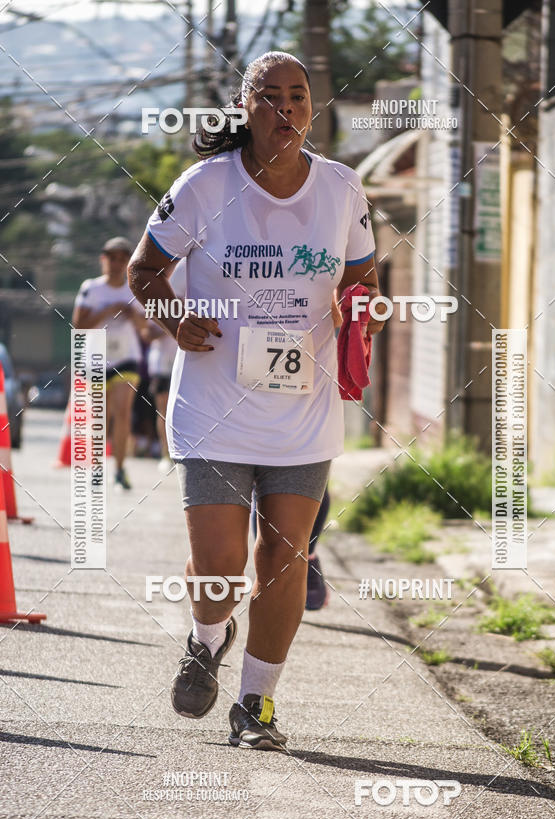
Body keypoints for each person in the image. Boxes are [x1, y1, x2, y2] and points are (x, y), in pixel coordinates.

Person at [128, 50, 383, 751]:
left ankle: (256, 706)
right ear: (245, 107)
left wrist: (362, 310)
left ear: (311, 107)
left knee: (285, 559)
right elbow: (144, 269)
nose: (286, 109)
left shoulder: (340, 188)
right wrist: (176, 318)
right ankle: (208, 636)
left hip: (304, 409)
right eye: (269, 97)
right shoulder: (206, 185)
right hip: (214, 405)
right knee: (219, 572)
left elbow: (361, 275)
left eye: (297, 96)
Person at [72, 236, 143, 490]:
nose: (116, 263)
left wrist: (133, 314)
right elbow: (79, 326)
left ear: (127, 263)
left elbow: (145, 329)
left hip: (127, 358)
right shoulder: (91, 287)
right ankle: (98, 468)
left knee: (123, 412)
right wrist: (107, 311)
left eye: (122, 259)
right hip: (97, 358)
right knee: (101, 416)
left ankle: (120, 468)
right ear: (103, 260)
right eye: (112, 258)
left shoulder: (134, 289)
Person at [145, 260, 182, 473]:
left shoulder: (194, 292)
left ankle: (183, 453)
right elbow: (147, 333)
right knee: (164, 410)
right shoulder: (157, 297)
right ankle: (165, 455)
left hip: (187, 359)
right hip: (161, 363)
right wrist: (173, 322)